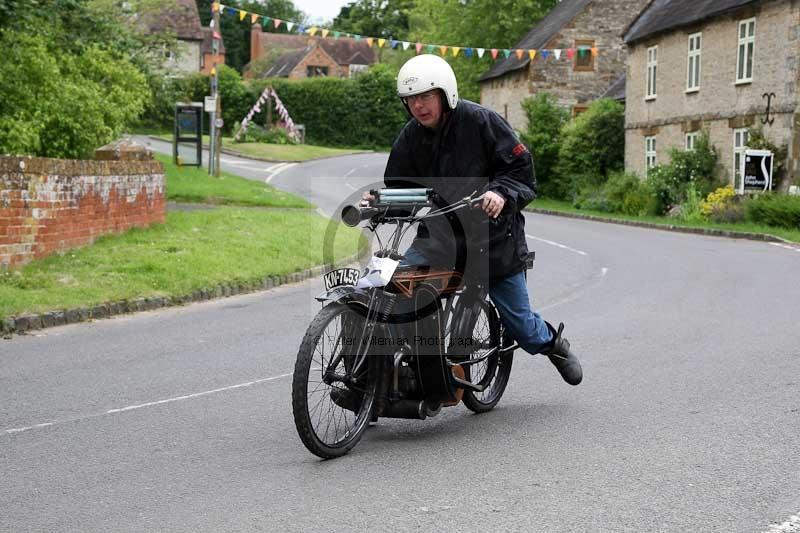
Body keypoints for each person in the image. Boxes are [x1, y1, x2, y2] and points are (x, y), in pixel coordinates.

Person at [363, 54, 583, 386]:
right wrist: (382, 203)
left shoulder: (482, 122)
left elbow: (520, 172)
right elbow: (403, 190)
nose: (418, 106)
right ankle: (371, 382)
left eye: (425, 96)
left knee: (522, 326)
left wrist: (501, 193)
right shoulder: (410, 137)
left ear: (445, 94)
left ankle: (554, 345)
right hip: (438, 240)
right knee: (394, 293)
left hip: (491, 243)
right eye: (411, 99)